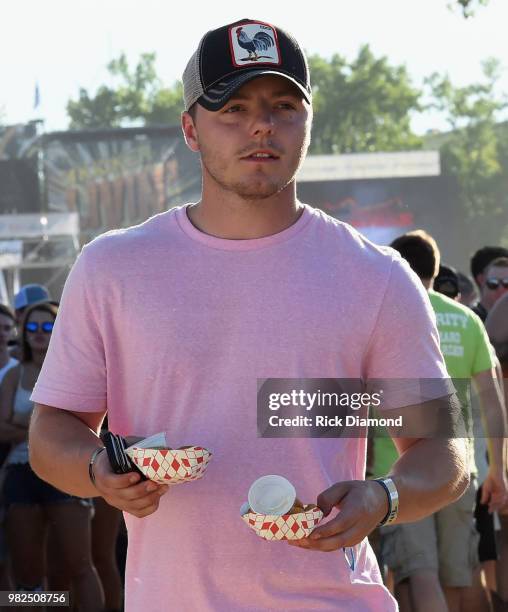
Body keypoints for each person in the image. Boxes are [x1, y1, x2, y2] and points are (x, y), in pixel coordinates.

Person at [28, 18, 469, 611]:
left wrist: (384, 496)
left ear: (308, 122)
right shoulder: (113, 267)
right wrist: (98, 471)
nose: (261, 124)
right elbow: (52, 431)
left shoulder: (376, 275)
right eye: (232, 107)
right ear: (190, 127)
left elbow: (444, 454)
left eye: (284, 105)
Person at [379, 231, 507, 612]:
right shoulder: (466, 319)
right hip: (458, 469)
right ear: (435, 269)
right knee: (456, 577)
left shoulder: (389, 312)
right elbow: (492, 400)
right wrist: (498, 470)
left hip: (399, 469)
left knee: (418, 573)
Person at [0, 302, 103, 610]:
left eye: (48, 327)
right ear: (24, 332)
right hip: (21, 472)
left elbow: (89, 425)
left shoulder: (76, 370)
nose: (40, 333)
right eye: (32, 327)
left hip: (67, 471)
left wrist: (27, 426)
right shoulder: (14, 374)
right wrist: (45, 430)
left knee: (80, 567)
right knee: (28, 575)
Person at [470, 248, 508, 321]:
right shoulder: (470, 318)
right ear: (482, 281)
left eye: (507, 283)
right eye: (493, 283)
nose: (501, 289)